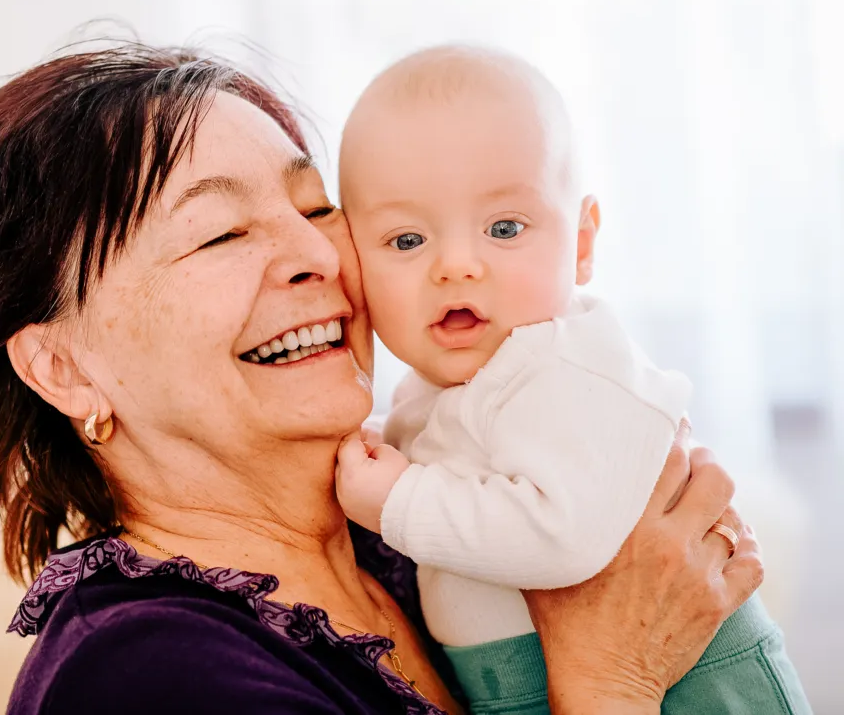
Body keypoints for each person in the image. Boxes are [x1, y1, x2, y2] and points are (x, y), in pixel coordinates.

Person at [0, 43, 765, 715]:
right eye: (221, 233)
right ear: (64, 369)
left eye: (317, 208)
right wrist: (612, 680)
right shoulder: (141, 675)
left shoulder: (421, 520)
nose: (318, 255)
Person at [334, 44, 810, 713]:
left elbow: (564, 539)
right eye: (407, 240)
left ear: (582, 245)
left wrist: (397, 501)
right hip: (531, 678)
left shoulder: (568, 366)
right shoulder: (443, 387)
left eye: (505, 228)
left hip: (693, 683)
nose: (457, 265)